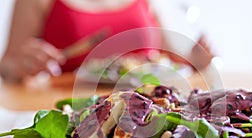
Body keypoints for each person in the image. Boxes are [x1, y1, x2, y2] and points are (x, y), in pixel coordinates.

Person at [0, 0, 214, 83]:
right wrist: (22, 64)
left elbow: (166, 56)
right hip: (71, 108)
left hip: (149, 106)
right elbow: (7, 66)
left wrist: (194, 59)